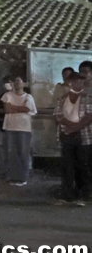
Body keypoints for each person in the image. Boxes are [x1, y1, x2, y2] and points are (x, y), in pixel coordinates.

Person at [53, 72, 92, 206]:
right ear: (70, 83)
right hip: (66, 135)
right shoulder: (62, 98)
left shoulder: (87, 98)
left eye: (81, 81)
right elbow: (58, 116)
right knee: (67, 166)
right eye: (76, 81)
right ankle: (67, 195)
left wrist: (75, 128)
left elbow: (89, 117)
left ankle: (83, 195)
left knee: (83, 166)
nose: (79, 84)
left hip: (82, 136)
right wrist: (71, 127)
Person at [1, 76, 37, 186]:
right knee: (11, 152)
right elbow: (7, 109)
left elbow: (27, 109)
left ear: (24, 83)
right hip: (10, 127)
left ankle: (22, 177)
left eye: (19, 81)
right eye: (14, 81)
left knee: (23, 152)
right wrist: (20, 108)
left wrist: (13, 107)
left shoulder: (29, 97)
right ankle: (11, 176)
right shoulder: (7, 95)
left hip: (24, 128)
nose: (16, 83)